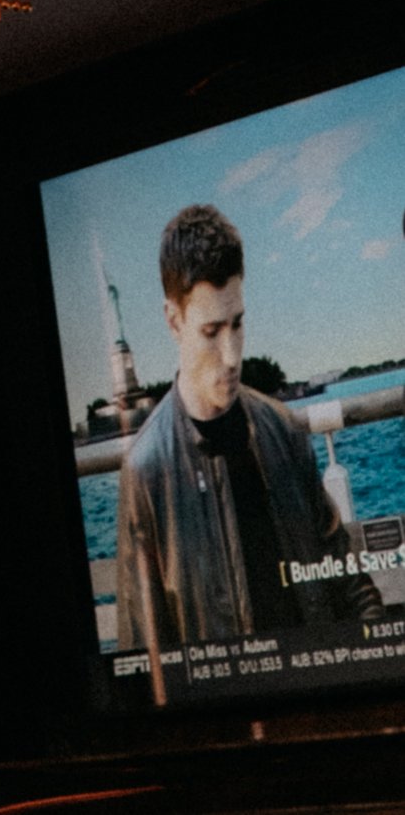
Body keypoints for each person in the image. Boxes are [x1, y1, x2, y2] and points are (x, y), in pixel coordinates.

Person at [114, 202, 362, 655]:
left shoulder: (284, 430)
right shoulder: (145, 473)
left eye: (238, 324)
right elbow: (144, 664)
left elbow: (352, 586)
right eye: (211, 331)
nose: (231, 356)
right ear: (174, 321)